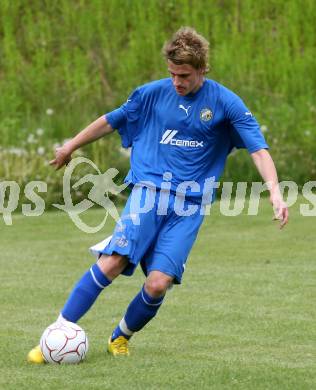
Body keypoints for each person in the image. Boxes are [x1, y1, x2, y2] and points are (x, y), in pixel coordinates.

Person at [27, 27, 288, 362]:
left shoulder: (226, 103)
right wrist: (70, 146)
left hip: (189, 208)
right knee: (113, 261)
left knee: (157, 285)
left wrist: (276, 193)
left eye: (184, 76)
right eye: (172, 74)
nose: (177, 82)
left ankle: (120, 336)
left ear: (202, 70)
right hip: (148, 194)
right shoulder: (152, 94)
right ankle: (56, 333)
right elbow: (110, 120)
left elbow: (259, 150)